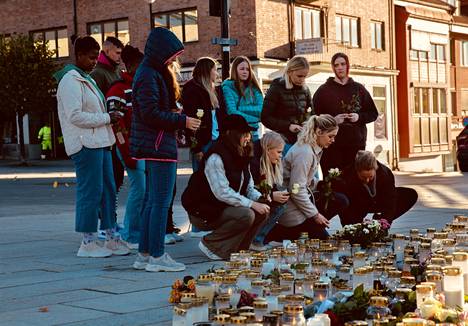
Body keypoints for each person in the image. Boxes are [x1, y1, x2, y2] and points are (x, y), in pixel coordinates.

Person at [130, 27, 201, 272]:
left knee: (152, 201)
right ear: (161, 52)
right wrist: (182, 121)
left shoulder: (148, 72)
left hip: (154, 143)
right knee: (160, 201)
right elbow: (149, 113)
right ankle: (158, 256)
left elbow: (148, 109)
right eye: (171, 55)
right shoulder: (150, 74)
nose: (174, 60)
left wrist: (174, 115)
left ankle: (145, 254)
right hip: (159, 145)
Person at [54, 35, 129, 258]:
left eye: (97, 57)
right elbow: (75, 116)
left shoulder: (86, 78)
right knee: (91, 191)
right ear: (78, 56)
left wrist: (108, 118)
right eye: (90, 57)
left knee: (107, 189)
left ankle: (110, 237)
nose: (95, 61)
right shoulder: (70, 80)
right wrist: (107, 117)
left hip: (100, 142)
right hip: (85, 144)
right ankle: (87, 241)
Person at [182, 114, 270, 260]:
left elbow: (247, 187)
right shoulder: (216, 156)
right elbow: (222, 192)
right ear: (232, 134)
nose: (248, 138)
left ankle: (240, 250)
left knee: (262, 210)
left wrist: (260, 198)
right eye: (244, 134)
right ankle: (212, 244)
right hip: (204, 211)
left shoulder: (240, 153)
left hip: (223, 207)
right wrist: (251, 204)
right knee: (246, 214)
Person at [265, 115, 349, 242]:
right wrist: (315, 215)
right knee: (323, 240)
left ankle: (308, 228)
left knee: (340, 200)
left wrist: (320, 184)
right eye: (330, 136)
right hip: (291, 208)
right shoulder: (305, 153)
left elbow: (304, 180)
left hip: (299, 202)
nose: (333, 140)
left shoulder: (312, 148)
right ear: (319, 132)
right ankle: (282, 232)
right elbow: (296, 190)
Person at [181, 56, 226, 238]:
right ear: (207, 70)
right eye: (215, 69)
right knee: (200, 184)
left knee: (214, 183)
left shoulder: (213, 90)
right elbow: (192, 121)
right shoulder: (193, 89)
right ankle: (197, 226)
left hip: (215, 141)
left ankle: (210, 222)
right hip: (203, 143)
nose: (217, 73)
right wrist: (196, 147)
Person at [105, 45, 145, 250]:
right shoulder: (118, 90)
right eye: (140, 65)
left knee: (144, 189)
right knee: (141, 188)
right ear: (131, 66)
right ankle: (131, 233)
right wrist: (126, 151)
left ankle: (137, 231)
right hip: (130, 148)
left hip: (143, 147)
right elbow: (116, 125)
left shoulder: (140, 86)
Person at [313, 52, 378, 176]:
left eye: (343, 64)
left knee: (354, 181)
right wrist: (333, 120)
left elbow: (373, 113)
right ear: (333, 68)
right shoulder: (323, 91)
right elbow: (314, 118)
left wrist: (359, 117)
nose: (340, 67)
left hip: (355, 145)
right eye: (336, 65)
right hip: (332, 146)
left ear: (348, 66)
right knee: (334, 182)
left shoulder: (359, 89)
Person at [91, 36, 125, 237]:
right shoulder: (99, 74)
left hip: (118, 134)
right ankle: (105, 222)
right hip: (106, 134)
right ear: (107, 50)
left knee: (116, 180)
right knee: (108, 180)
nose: (120, 57)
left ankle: (110, 219)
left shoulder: (116, 72)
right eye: (117, 53)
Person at [338, 150, 418, 226]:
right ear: (357, 171)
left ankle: (379, 220)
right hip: (358, 203)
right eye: (363, 177)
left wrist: (385, 223)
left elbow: (390, 202)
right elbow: (346, 208)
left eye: (370, 177)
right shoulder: (347, 175)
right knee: (343, 200)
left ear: (375, 169)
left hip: (378, 201)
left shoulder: (385, 174)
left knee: (410, 195)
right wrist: (353, 227)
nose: (367, 180)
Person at [261, 55, 313, 154]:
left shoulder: (305, 90)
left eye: (305, 76)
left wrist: (307, 123)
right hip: (283, 142)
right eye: (299, 76)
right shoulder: (276, 88)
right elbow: (265, 118)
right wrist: (288, 126)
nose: (302, 79)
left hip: (303, 140)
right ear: (289, 72)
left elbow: (312, 113)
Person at [249, 131, 289, 251]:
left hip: (259, 198)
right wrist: (271, 195)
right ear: (267, 149)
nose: (281, 155)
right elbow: (249, 190)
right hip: (249, 201)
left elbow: (271, 185)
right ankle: (255, 240)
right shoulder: (253, 163)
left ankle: (259, 238)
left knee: (281, 204)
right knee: (278, 207)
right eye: (279, 152)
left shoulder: (269, 161)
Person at [222, 56, 263, 140]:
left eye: (247, 69)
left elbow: (261, 109)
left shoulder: (254, 88)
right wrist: (255, 119)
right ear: (235, 70)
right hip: (237, 133)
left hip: (254, 133)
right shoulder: (227, 87)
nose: (245, 72)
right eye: (242, 69)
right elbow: (232, 112)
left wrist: (240, 108)